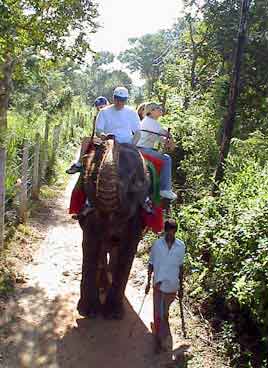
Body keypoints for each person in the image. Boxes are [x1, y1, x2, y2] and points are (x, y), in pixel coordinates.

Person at [145, 219, 185, 353]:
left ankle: (160, 329)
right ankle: (158, 341)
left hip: (172, 286)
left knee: (164, 312)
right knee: (159, 313)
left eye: (173, 233)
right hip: (158, 284)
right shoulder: (157, 244)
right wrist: (148, 282)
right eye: (168, 232)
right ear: (165, 231)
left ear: (175, 232)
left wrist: (181, 287)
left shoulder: (181, 246)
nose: (170, 236)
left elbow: (181, 267)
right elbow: (151, 263)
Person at [135, 102, 177, 200]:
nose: (160, 109)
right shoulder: (151, 122)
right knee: (166, 159)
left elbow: (159, 138)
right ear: (151, 111)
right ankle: (164, 189)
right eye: (157, 108)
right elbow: (165, 133)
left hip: (144, 149)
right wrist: (171, 141)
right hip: (143, 149)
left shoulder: (151, 122)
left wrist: (166, 142)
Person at [66, 96, 109, 174]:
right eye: (98, 107)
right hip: (103, 137)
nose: (100, 109)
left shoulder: (107, 114)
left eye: (102, 107)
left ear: (107, 105)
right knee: (87, 139)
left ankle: (79, 164)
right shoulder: (99, 115)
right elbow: (96, 131)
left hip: (108, 139)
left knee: (86, 140)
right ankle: (82, 162)